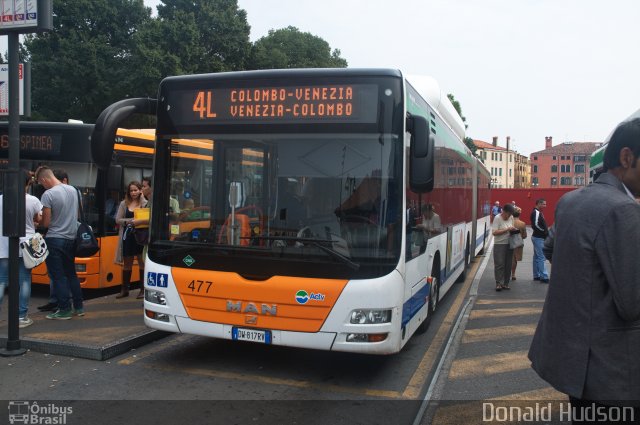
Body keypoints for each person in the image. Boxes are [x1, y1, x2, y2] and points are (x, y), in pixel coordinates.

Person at [528, 117, 640, 416]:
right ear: (628, 158)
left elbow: (552, 248)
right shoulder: (624, 210)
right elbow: (632, 302)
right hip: (614, 370)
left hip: (575, 362)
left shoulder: (571, 200)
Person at [35, 165, 83, 320]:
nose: (43, 186)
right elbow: (75, 215)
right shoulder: (74, 190)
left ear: (44, 179)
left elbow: (47, 223)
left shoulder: (48, 194)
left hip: (55, 239)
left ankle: (64, 309)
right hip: (71, 238)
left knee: (58, 276)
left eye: (41, 183)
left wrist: (39, 222)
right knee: (71, 274)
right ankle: (79, 307)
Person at [0, 171, 43, 328]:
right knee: (24, 280)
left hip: (3, 245)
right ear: (28, 184)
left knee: (2, 281)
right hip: (25, 247)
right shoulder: (33, 201)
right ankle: (21, 317)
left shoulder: (1, 199)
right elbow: (40, 219)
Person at [114, 181, 147, 299]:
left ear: (140, 191)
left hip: (141, 236)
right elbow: (118, 220)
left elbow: (148, 218)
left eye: (136, 190)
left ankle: (142, 290)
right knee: (127, 263)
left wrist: (143, 198)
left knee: (141, 261)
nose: (133, 192)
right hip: (127, 236)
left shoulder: (145, 203)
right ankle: (125, 290)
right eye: (131, 190)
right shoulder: (124, 203)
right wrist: (130, 221)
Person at [491, 203, 516, 291]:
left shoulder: (511, 218)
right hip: (499, 244)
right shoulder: (497, 218)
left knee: (508, 264)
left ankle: (505, 283)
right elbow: (494, 232)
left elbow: (512, 226)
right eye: (508, 214)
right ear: (504, 212)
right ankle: (498, 283)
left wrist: (513, 229)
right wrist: (507, 229)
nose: (509, 216)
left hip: (509, 243)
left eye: (510, 215)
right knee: (499, 264)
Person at [529, 198, 549, 283]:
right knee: (541, 257)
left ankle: (536, 275)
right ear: (539, 204)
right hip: (539, 237)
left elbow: (536, 225)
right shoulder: (536, 213)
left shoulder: (537, 212)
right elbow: (535, 225)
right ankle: (544, 276)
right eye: (544, 204)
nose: (545, 206)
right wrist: (544, 232)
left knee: (537, 257)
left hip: (537, 237)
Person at [510, 207, 527, 280]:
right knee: (515, 259)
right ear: (519, 214)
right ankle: (513, 274)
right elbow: (524, 236)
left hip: (508, 242)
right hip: (518, 243)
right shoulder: (522, 223)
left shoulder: (509, 222)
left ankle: (506, 273)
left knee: (508, 259)